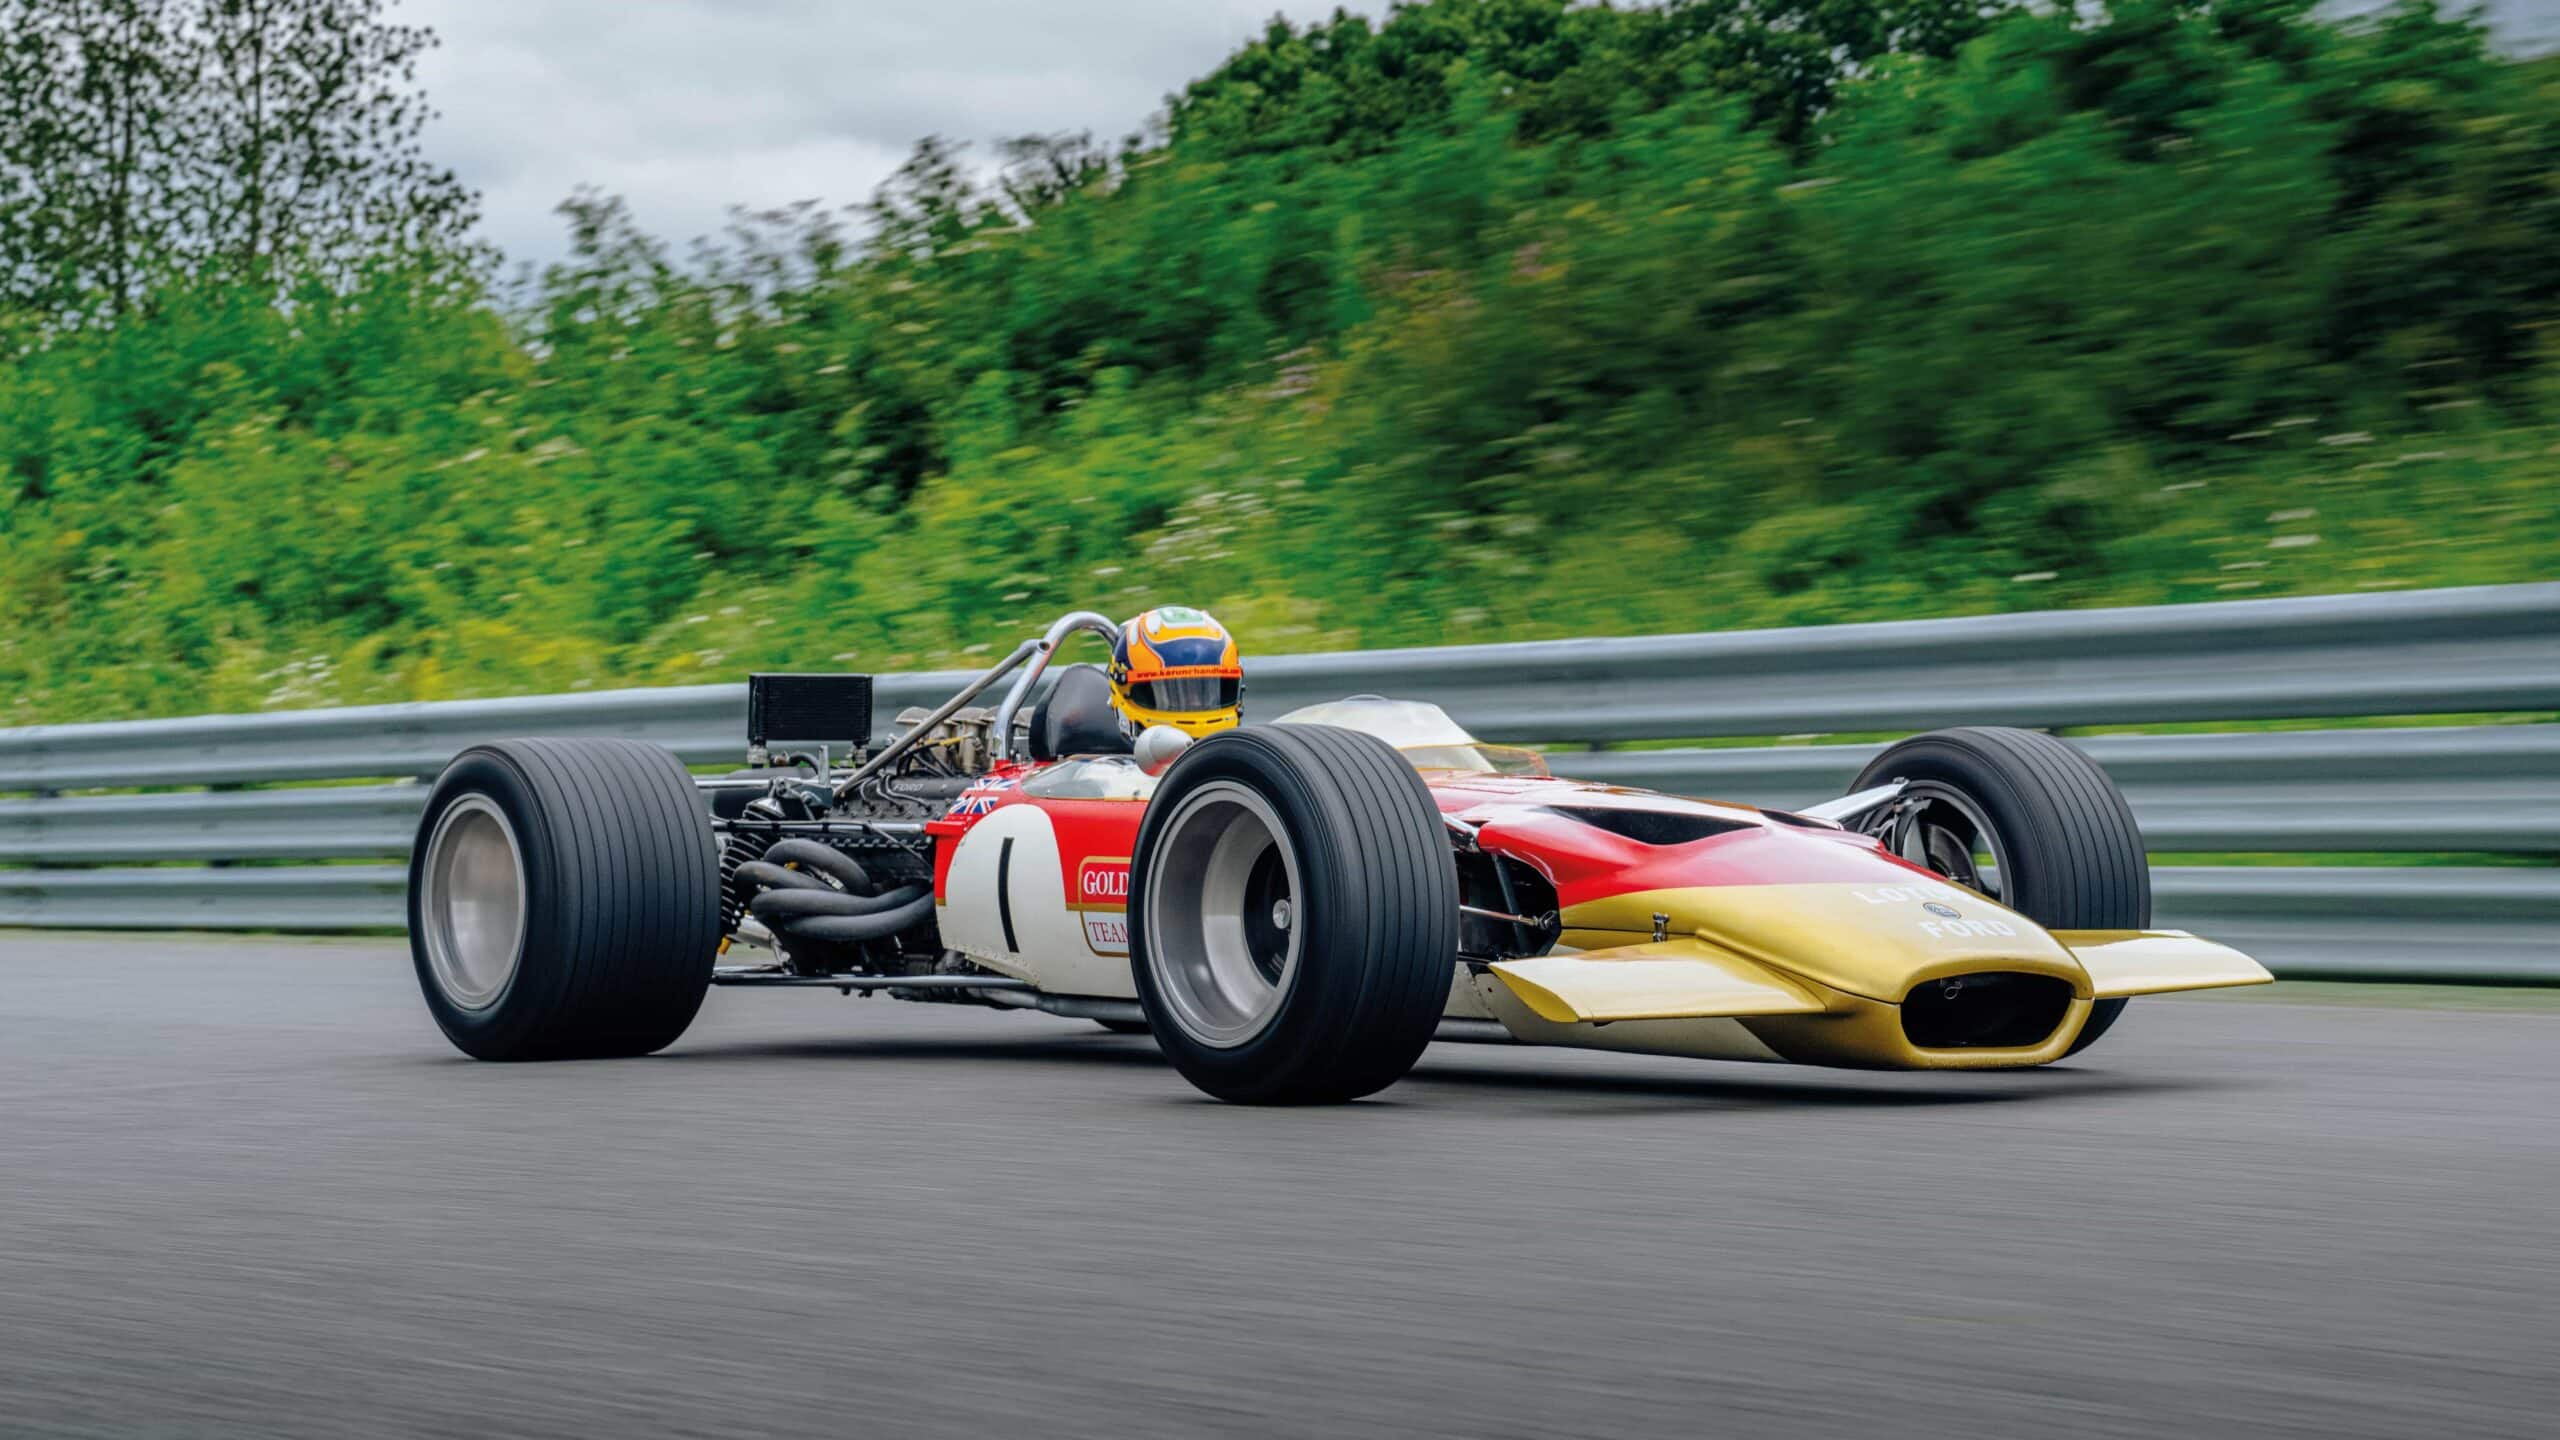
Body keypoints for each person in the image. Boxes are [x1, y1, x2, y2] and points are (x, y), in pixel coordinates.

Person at [1107, 606, 1244, 741]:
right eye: (1173, 692)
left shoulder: (1251, 755)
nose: (1195, 704)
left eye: (1206, 692)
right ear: (1123, 689)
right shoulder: (1103, 758)